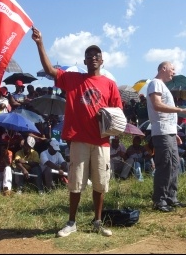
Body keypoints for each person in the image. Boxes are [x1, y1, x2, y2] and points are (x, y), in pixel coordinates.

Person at [32, 27, 122, 237]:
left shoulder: (110, 85)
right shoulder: (73, 79)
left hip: (102, 141)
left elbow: (118, 112)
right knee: (75, 183)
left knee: (100, 183)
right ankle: (71, 222)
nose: (93, 58)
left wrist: (106, 117)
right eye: (89, 56)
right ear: (84, 62)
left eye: (96, 56)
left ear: (102, 61)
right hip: (79, 140)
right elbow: (50, 70)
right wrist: (39, 43)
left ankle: (97, 221)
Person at [146, 61, 186, 212]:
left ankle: (171, 197)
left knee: (174, 164)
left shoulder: (162, 85)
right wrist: (180, 110)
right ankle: (159, 200)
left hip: (169, 131)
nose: (174, 72)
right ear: (163, 69)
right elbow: (157, 105)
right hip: (162, 131)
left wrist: (174, 133)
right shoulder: (155, 83)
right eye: (172, 69)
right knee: (165, 164)